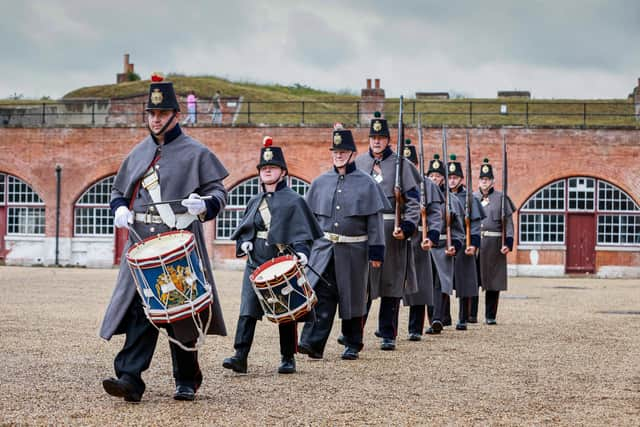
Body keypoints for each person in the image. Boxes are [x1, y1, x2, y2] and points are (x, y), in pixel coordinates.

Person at [100, 73, 228, 402]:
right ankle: (129, 378)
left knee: (179, 312)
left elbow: (219, 193)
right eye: (151, 114)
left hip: (178, 241)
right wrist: (118, 208)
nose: (155, 120)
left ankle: (186, 379)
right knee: (140, 310)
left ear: (176, 115)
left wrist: (205, 204)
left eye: (161, 114)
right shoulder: (138, 152)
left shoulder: (196, 152)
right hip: (141, 242)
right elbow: (118, 191)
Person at [223, 137, 322, 374]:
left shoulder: (295, 200)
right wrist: (245, 242)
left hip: (281, 261)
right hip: (255, 261)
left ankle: (288, 358)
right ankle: (240, 355)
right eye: (263, 168)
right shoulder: (254, 200)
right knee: (247, 309)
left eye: (272, 167)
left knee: (285, 310)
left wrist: (302, 252)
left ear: (283, 172)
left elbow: (301, 232)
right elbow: (246, 228)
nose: (267, 171)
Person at [299, 125, 388, 360]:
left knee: (353, 297)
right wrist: (304, 249)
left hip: (354, 250)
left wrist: (376, 253)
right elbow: (309, 220)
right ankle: (312, 343)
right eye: (335, 151)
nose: (338, 155)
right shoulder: (320, 182)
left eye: (343, 151)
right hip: (324, 250)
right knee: (321, 295)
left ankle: (352, 343)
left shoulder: (367, 183)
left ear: (352, 153)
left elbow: (374, 221)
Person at [354, 112, 421, 351]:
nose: (376, 141)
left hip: (393, 230)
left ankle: (388, 333)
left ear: (388, 140)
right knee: (363, 285)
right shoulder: (359, 163)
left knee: (391, 284)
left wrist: (407, 227)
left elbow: (414, 202)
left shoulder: (403, 165)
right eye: (373, 137)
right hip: (366, 231)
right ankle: (355, 334)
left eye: (381, 137)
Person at [401, 140, 443, 341]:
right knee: (389, 284)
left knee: (418, 284)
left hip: (419, 236)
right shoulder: (396, 182)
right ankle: (386, 329)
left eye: (411, 163)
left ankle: (415, 328)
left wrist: (432, 236)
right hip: (397, 237)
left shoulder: (429, 185)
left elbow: (436, 214)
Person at [425, 154, 464, 335]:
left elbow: (458, 229)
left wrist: (454, 245)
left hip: (443, 245)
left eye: (438, 176)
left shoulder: (452, 200)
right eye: (431, 176)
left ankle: (437, 319)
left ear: (443, 179)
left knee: (441, 283)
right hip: (426, 246)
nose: (434, 179)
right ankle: (431, 317)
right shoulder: (422, 196)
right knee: (427, 282)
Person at [473, 158, 515, 324]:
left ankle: (490, 316)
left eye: (487, 179)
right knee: (473, 280)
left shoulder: (501, 198)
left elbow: (508, 224)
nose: (484, 182)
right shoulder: (473, 197)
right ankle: (471, 315)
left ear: (492, 181)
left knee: (493, 282)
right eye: (482, 179)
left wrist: (508, 243)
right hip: (476, 244)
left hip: (494, 244)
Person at [447, 154, 485, 330]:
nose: (452, 181)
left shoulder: (471, 198)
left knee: (464, 283)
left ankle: (463, 317)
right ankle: (442, 317)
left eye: (455, 178)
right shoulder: (442, 196)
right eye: (449, 177)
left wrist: (474, 244)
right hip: (448, 242)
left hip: (465, 243)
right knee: (443, 282)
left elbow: (476, 224)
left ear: (461, 179)